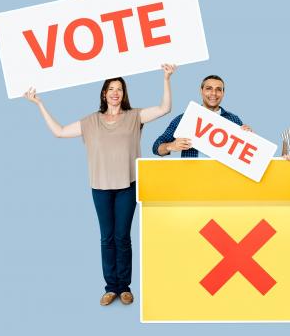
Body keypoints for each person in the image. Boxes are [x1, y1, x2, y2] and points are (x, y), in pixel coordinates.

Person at [24, 64, 176, 306]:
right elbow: (60, 131)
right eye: (111, 88)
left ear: (124, 94)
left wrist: (166, 78)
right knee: (107, 238)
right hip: (100, 187)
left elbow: (164, 108)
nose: (115, 92)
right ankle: (110, 287)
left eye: (119, 89)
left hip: (128, 185)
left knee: (122, 237)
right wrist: (39, 104)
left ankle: (124, 287)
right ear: (104, 93)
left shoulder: (134, 116)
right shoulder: (90, 121)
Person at [153, 74, 251, 157]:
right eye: (209, 89)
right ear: (201, 91)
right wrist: (171, 146)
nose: (213, 93)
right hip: (192, 176)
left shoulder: (233, 119)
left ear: (223, 93)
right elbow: (156, 147)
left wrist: (249, 138)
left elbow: (244, 153)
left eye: (218, 90)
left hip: (223, 177)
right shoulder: (186, 118)